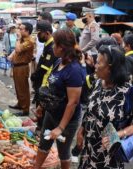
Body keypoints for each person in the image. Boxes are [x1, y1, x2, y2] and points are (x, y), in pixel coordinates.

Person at [77, 45, 133, 169]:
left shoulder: (128, 92)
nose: (95, 66)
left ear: (110, 68)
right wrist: (81, 130)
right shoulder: (97, 83)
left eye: (98, 63)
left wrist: (120, 133)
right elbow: (90, 110)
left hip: (109, 156)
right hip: (89, 150)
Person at [33, 30, 83, 169]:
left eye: (55, 44)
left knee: (63, 152)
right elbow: (51, 87)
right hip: (51, 113)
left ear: (61, 47)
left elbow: (73, 102)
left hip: (67, 120)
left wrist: (61, 127)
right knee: (44, 143)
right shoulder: (59, 62)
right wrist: (42, 106)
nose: (53, 46)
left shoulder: (74, 71)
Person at [30, 20, 57, 130]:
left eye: (39, 33)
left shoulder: (51, 47)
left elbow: (45, 68)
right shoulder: (47, 44)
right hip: (40, 80)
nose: (38, 36)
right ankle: (40, 124)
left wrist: (35, 76)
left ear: (47, 33)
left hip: (44, 82)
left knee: (41, 105)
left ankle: (40, 127)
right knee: (39, 105)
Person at [8, 22, 35, 116]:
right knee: (18, 87)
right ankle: (20, 104)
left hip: (22, 67)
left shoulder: (29, 41)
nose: (19, 30)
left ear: (27, 31)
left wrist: (18, 38)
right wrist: (12, 56)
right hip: (17, 66)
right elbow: (16, 51)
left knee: (23, 89)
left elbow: (18, 49)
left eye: (21, 29)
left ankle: (25, 109)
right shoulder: (23, 39)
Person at [79, 7, 100, 74]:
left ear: (90, 15)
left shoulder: (93, 25)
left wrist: (83, 50)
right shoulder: (87, 26)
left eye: (85, 16)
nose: (83, 18)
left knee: (88, 74)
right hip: (85, 54)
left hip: (90, 55)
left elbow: (94, 40)